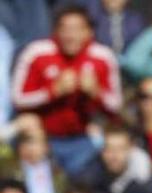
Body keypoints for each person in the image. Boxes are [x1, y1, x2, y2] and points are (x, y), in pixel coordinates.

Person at [11, 5, 123, 176]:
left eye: (78, 29)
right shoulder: (37, 53)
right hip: (43, 138)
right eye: (65, 29)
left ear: (89, 32)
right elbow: (18, 98)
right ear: (56, 31)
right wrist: (52, 91)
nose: (71, 36)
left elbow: (116, 105)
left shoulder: (103, 57)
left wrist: (95, 92)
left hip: (83, 138)